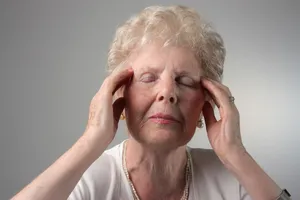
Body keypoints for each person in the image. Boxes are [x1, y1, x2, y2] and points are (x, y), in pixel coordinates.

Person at [12, 5, 291, 200]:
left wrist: (236, 155)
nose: (167, 93)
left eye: (184, 80)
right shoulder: (85, 180)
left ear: (207, 102)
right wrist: (89, 143)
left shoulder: (232, 178)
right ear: (120, 94)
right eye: (148, 78)